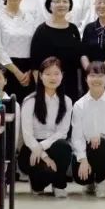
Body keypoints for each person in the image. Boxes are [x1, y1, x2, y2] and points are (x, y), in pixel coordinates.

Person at [19, 57, 73, 197]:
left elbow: (63, 132)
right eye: (48, 74)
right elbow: (27, 135)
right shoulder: (30, 101)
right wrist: (44, 155)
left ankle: (59, 184)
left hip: (52, 144)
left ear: (62, 76)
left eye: (56, 73)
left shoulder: (67, 101)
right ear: (40, 76)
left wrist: (42, 146)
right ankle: (37, 183)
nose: (52, 78)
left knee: (63, 147)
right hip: (31, 147)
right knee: (41, 180)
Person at [71, 62, 105, 197]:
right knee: (80, 177)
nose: (96, 79)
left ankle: (100, 180)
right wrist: (83, 159)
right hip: (87, 150)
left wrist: (100, 135)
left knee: (100, 145)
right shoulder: (79, 105)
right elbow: (77, 137)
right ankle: (90, 181)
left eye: (100, 76)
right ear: (86, 79)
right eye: (92, 76)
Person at [0, 0, 40, 99]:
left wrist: (30, 70)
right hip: (6, 69)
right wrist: (17, 72)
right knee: (7, 106)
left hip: (28, 72)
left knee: (28, 105)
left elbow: (35, 45)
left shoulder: (30, 17)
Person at [30, 0, 84, 102]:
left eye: (65, 1)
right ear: (49, 6)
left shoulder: (73, 29)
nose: (61, 4)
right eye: (57, 1)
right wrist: (40, 89)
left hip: (71, 84)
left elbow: (78, 60)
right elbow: (35, 65)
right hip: (49, 85)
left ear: (70, 5)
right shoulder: (41, 30)